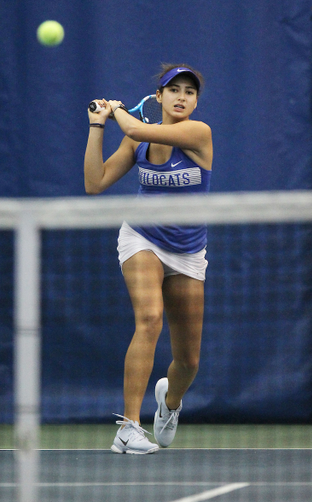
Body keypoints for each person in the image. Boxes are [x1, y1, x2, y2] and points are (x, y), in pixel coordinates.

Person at [84, 63, 213, 454]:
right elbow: (95, 183)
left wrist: (118, 111)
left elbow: (137, 127)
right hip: (142, 238)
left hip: (189, 251)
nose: (181, 97)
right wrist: (96, 127)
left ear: (195, 102)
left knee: (188, 360)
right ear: (159, 98)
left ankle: (169, 403)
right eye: (174, 90)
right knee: (150, 318)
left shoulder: (198, 133)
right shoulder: (137, 143)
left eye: (189, 92)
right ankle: (128, 427)